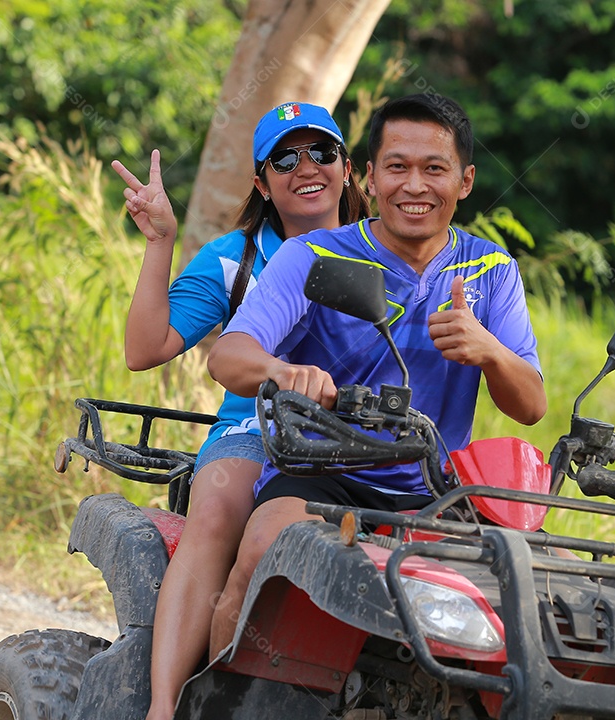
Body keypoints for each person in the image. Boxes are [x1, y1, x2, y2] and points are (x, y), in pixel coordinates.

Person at [206, 92, 548, 657]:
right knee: (263, 550)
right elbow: (228, 355)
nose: (415, 186)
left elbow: (531, 405)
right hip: (320, 471)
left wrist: (490, 351)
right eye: (397, 167)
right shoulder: (315, 255)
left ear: (464, 181)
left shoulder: (493, 270)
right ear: (369, 175)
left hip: (434, 489)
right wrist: (281, 371)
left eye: (434, 169)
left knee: (522, 603)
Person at [112, 102, 371, 720]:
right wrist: (160, 244)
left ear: (348, 167)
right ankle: (165, 707)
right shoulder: (237, 257)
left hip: (367, 441)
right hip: (256, 432)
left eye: (321, 153)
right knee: (220, 506)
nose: (305, 168)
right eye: (285, 158)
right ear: (262, 182)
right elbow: (146, 350)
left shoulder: (384, 247)